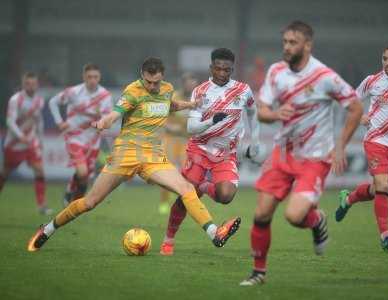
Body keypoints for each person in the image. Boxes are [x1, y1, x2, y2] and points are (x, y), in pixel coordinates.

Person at [27, 57, 240, 252]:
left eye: (156, 82)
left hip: (153, 156)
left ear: (162, 77)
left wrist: (190, 104)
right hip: (125, 155)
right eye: (148, 82)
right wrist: (104, 122)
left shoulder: (166, 89)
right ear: (142, 76)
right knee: (90, 202)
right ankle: (47, 230)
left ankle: (214, 233)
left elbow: (169, 105)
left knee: (186, 189)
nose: (152, 86)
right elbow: (115, 113)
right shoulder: (132, 91)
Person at [239, 21, 363, 286]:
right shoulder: (276, 72)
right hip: (283, 155)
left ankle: (317, 220)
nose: (286, 47)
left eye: (292, 42)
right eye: (284, 42)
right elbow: (262, 111)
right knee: (261, 214)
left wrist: (340, 145)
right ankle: (258, 273)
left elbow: (355, 107)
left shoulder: (324, 76)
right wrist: (274, 114)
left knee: (294, 217)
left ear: (307, 45)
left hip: (315, 159)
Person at [160, 48, 260, 256]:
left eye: (227, 69)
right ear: (211, 68)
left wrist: (255, 140)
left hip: (225, 154)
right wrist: (212, 120)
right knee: (186, 197)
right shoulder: (201, 92)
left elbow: (252, 110)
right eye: (218, 68)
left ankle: (204, 186)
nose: (222, 73)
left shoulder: (243, 90)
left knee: (226, 196)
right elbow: (192, 128)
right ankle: (168, 240)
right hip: (200, 150)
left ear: (232, 69)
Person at [335, 45, 388, 251]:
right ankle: (385, 236)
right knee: (382, 184)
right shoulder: (372, 81)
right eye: (385, 58)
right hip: (375, 141)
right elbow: (350, 102)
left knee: (376, 189)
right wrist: (359, 115)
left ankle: (349, 199)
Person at [48, 63, 113, 206]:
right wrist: (59, 122)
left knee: (85, 177)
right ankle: (73, 199)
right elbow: (53, 102)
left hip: (93, 141)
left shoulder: (105, 96)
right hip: (74, 137)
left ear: (99, 77)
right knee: (82, 172)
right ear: (84, 77)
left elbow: (107, 119)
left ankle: (74, 203)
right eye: (89, 77)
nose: (92, 80)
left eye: (95, 77)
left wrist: (100, 123)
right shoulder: (73, 92)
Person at [0, 72, 52, 215]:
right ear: (23, 84)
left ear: (37, 84)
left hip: (30, 142)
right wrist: (20, 135)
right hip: (14, 143)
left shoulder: (39, 100)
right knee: (4, 173)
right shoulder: (15, 100)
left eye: (33, 84)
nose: (31, 86)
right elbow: (10, 121)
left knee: (39, 170)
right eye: (28, 83)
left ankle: (42, 205)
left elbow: (38, 120)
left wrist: (40, 140)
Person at [159, 73, 198, 215]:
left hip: (185, 142)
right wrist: (170, 127)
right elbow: (163, 118)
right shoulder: (175, 97)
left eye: (193, 82)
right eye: (188, 82)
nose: (191, 85)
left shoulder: (197, 101)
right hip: (171, 139)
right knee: (165, 172)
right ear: (183, 83)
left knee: (186, 174)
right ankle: (163, 202)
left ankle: (183, 202)